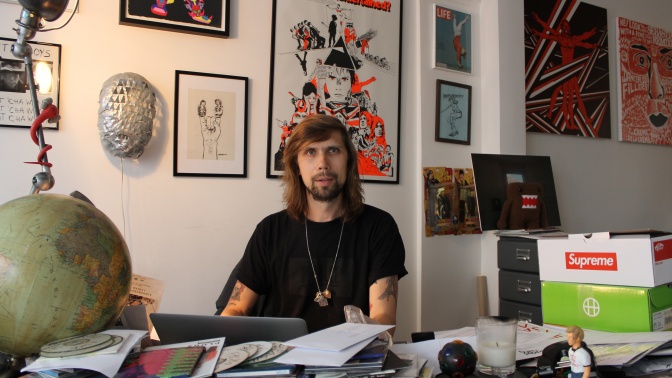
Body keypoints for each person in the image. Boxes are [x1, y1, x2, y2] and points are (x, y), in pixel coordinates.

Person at [221, 115, 407, 334]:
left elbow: (383, 318)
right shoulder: (269, 231)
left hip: (353, 359)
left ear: (348, 162)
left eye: (333, 150)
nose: (323, 164)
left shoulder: (379, 227)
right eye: (310, 152)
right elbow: (235, 309)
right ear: (297, 167)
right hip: (283, 358)